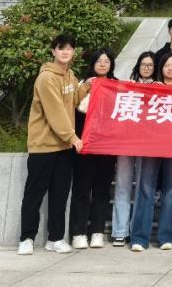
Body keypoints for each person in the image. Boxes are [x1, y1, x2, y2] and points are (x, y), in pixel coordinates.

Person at [17, 33, 87, 255]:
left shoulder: (70, 75)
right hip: (43, 146)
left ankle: (55, 238)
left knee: (60, 194)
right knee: (34, 194)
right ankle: (27, 238)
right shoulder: (46, 78)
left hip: (63, 147)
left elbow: (75, 100)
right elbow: (55, 111)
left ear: (73, 52)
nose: (65, 52)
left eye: (69, 48)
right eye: (61, 48)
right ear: (53, 51)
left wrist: (89, 86)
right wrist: (73, 137)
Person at [128, 51, 172, 252]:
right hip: (150, 144)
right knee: (146, 188)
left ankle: (166, 237)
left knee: (170, 190)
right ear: (161, 68)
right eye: (167, 65)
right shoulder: (151, 88)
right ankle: (139, 238)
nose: (170, 68)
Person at [68, 48, 117, 250]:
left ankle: (97, 231)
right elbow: (75, 110)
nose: (103, 64)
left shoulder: (117, 86)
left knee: (102, 190)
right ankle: (78, 232)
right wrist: (88, 87)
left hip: (107, 147)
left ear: (111, 64)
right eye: (99, 61)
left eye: (106, 61)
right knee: (81, 189)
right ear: (93, 63)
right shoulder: (82, 84)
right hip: (85, 145)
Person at [109, 51, 156, 246]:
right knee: (123, 184)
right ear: (138, 66)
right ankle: (120, 231)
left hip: (148, 143)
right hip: (126, 141)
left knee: (143, 188)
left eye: (150, 65)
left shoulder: (159, 88)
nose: (146, 68)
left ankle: (136, 230)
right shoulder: (127, 86)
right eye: (143, 64)